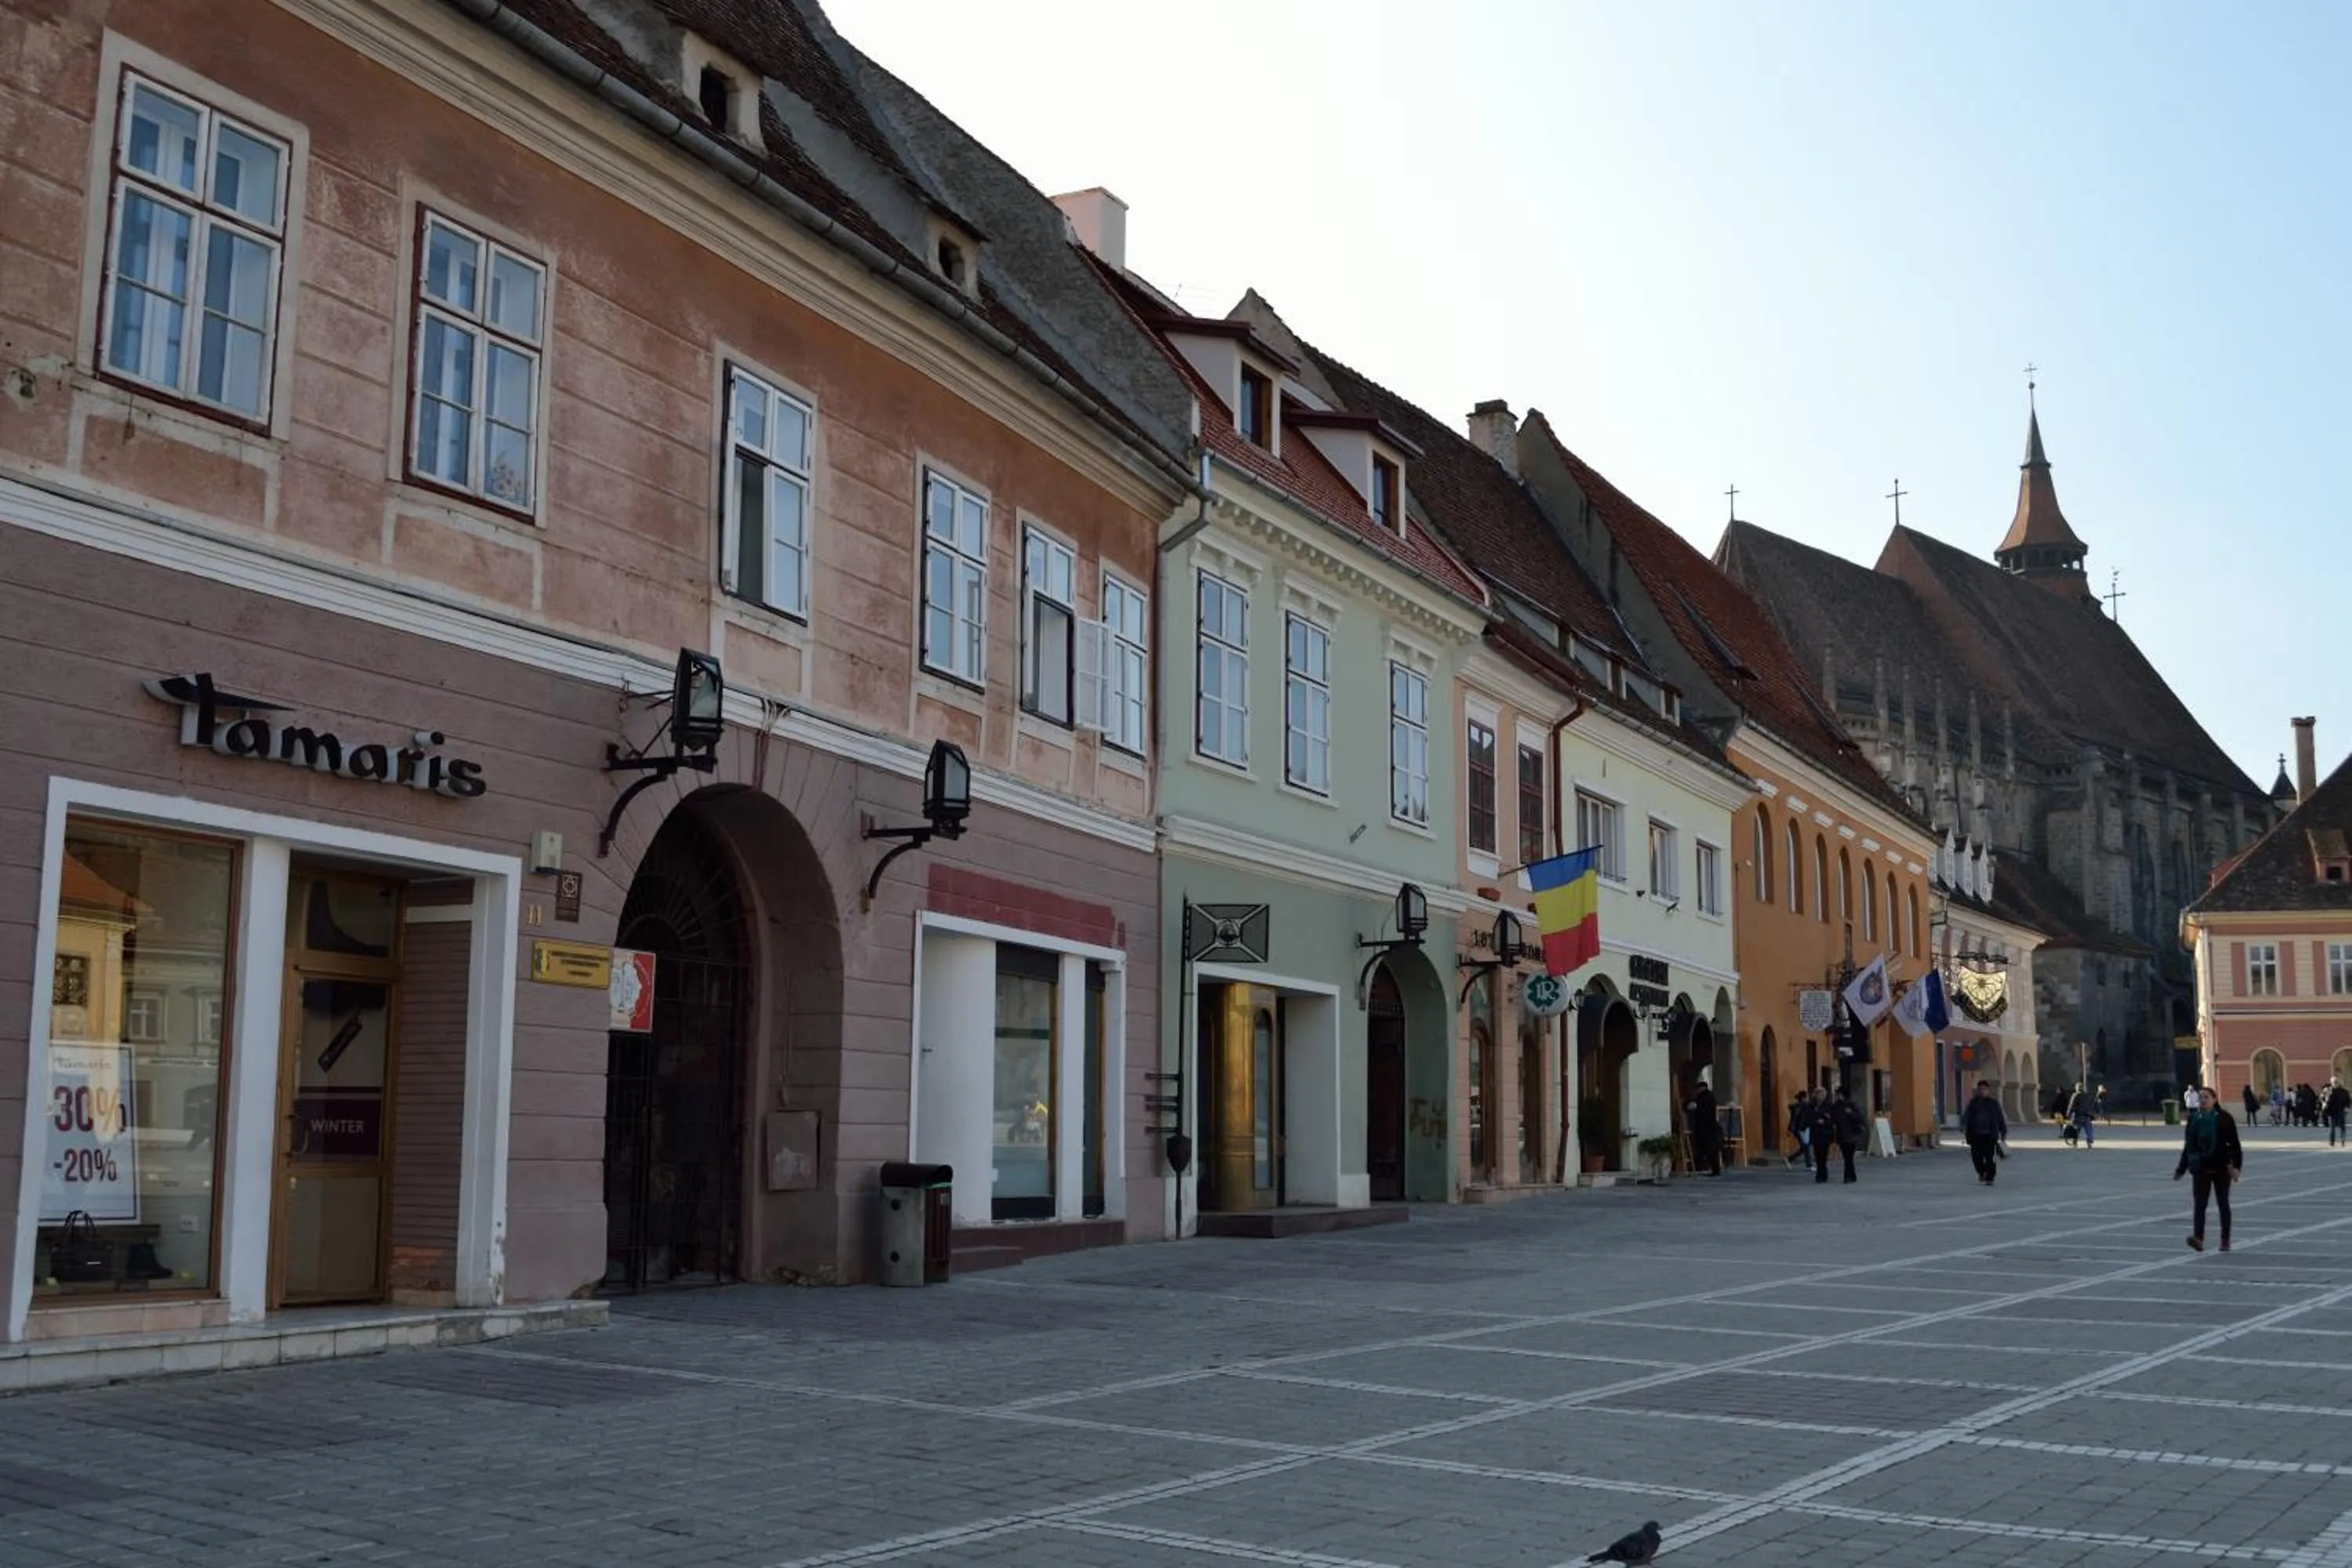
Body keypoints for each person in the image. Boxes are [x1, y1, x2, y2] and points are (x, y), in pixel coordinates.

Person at [2175, 1083, 2244, 1252]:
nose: (2203, 1100)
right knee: (2200, 1204)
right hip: (2200, 1167)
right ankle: (2198, 1238)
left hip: (2221, 1166)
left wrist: (2236, 1166)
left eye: (2207, 1097)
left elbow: (2235, 1144)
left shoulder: (2224, 1118)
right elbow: (2188, 1145)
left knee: (2223, 1203)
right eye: (2201, 1098)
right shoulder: (2193, 1119)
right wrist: (2181, 1168)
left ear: (2215, 1100)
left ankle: (2225, 1240)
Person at [1962, 1079, 2008, 1185]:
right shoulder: (1973, 1103)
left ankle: (1990, 1178)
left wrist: (2003, 1132)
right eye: (1980, 1089)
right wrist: (1964, 1125)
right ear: (1978, 1090)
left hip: (1989, 1136)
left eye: (1984, 1089)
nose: (1982, 1091)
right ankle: (1982, 1172)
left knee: (1990, 1158)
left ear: (1988, 1090)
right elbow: (1967, 1116)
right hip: (1976, 1136)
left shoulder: (1993, 1104)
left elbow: (2000, 1118)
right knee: (1976, 1158)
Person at [1684, 1076, 1722, 1177]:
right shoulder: (1709, 1097)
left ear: (1701, 1088)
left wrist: (1687, 1105)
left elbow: (1695, 1107)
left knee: (1707, 1149)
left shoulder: (1704, 1098)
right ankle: (1707, 1168)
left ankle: (1707, 1168)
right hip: (1709, 1127)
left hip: (1705, 1128)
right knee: (1706, 1150)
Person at [1829, 1087, 1866, 1184]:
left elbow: (1860, 1118)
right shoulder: (1835, 1106)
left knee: (1849, 1157)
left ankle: (1849, 1176)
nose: (1836, 1096)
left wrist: (1851, 1113)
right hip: (1842, 1134)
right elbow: (1833, 1119)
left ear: (1841, 1095)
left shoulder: (1851, 1105)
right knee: (1847, 1157)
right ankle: (1851, 1175)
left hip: (1851, 1134)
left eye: (1837, 1094)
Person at [1808, 1087, 1835, 1184]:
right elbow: (1808, 1118)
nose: (1821, 1096)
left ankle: (1823, 1175)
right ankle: (1819, 1175)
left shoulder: (1828, 1106)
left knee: (1823, 1155)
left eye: (1823, 1094)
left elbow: (1833, 1120)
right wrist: (1815, 1121)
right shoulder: (1811, 1106)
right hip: (1815, 1133)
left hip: (1826, 1134)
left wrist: (1824, 1121)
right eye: (1819, 1094)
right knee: (1818, 1155)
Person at [2067, 1082, 2098, 1148]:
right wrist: (2091, 1114)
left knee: (2076, 1130)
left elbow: (2071, 1105)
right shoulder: (2087, 1095)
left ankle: (2075, 1143)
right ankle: (2089, 1142)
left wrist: (2068, 1114)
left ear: (2077, 1088)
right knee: (2088, 1129)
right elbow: (2090, 1105)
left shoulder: (2075, 1095)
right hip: (2086, 1115)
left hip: (2077, 1115)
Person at [2325, 1078, 2350, 1148]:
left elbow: (2348, 1100)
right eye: (2334, 1082)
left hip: (2341, 1111)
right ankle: (2332, 1142)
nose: (2335, 1083)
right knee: (2332, 1128)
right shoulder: (2328, 1091)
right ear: (2331, 1083)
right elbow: (2323, 1099)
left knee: (2342, 1127)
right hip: (2332, 1112)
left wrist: (2347, 1107)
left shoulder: (2344, 1092)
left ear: (2339, 1083)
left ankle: (2343, 1141)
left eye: (2337, 1082)